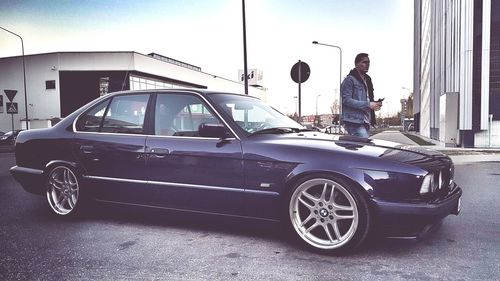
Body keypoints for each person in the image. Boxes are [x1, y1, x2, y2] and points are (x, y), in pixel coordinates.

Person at [340, 53, 382, 138]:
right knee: (364, 146)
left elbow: (367, 99)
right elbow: (346, 100)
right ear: (356, 64)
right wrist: (368, 104)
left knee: (361, 149)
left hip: (366, 121)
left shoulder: (368, 80)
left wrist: (375, 104)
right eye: (364, 62)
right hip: (354, 121)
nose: (367, 64)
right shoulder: (350, 80)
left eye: (368, 62)